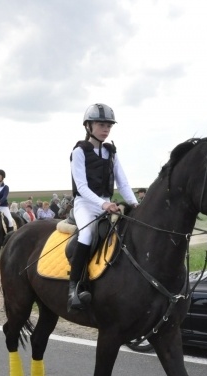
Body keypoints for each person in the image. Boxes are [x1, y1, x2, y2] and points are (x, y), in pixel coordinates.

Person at [68, 103, 139, 311]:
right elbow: (81, 186)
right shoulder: (79, 151)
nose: (106, 129)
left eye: (109, 126)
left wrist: (135, 204)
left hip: (107, 204)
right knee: (87, 234)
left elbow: (123, 183)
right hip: (86, 204)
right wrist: (103, 203)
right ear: (88, 126)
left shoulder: (111, 152)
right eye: (101, 125)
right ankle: (74, 289)